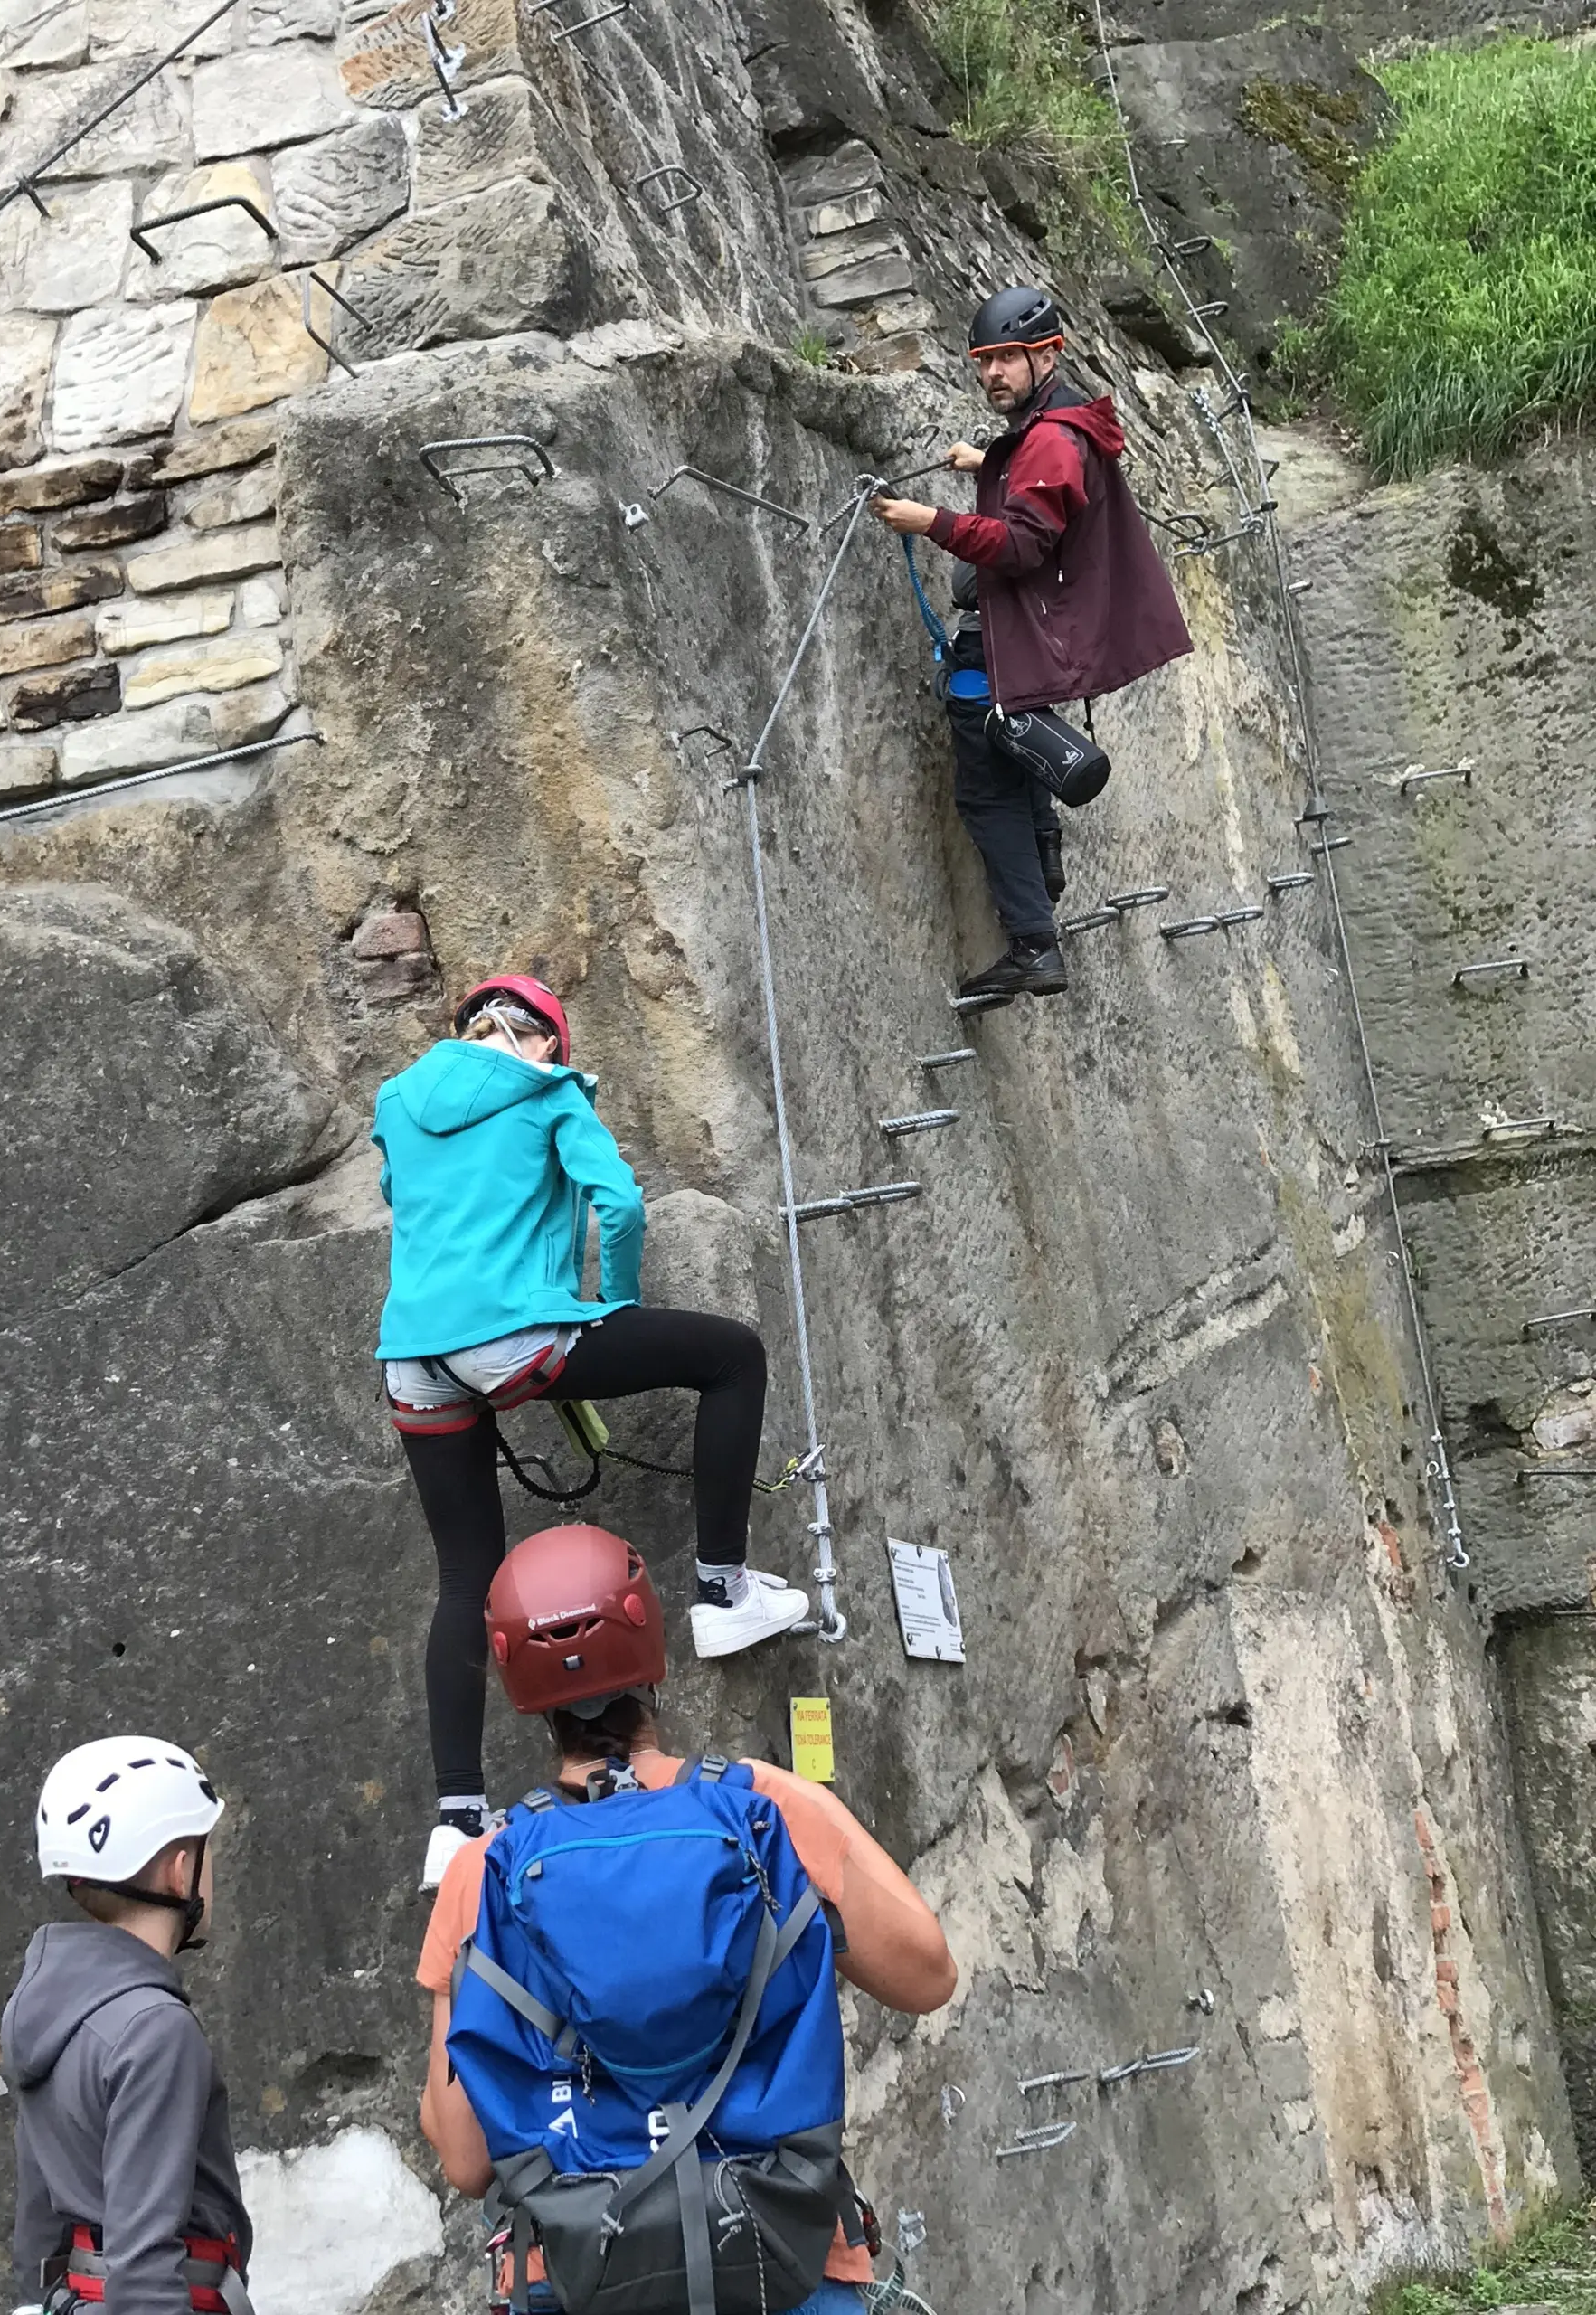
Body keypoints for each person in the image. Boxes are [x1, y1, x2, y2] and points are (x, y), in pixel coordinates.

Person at [417, 1526, 957, 2315]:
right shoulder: (758, 1808)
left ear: (516, 1681)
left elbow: (466, 2158)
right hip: (778, 2263)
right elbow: (927, 1974)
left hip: (577, 2276)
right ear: (650, 1645)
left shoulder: (483, 1872)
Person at [374, 974, 811, 1891]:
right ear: (545, 1043)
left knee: (465, 1574)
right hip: (516, 1333)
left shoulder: (399, 1102)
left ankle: (455, 1823)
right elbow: (619, 1203)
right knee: (733, 1357)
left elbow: (410, 1204)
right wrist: (612, 1307)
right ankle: (724, 1591)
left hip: (415, 1358)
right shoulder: (550, 1092)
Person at [874, 285, 1193, 1004]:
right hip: (1037, 632)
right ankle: (1043, 855)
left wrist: (932, 520)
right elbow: (1032, 478)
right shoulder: (1050, 426)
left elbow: (1021, 544)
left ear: (1048, 353)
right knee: (1008, 745)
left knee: (984, 785)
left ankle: (1033, 945)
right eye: (983, 362)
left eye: (1007, 360)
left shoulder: (1051, 437)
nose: (992, 374)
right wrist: (985, 463)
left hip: (1020, 633)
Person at [2, 1738, 251, 2315]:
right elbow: (143, 2266)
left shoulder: (48, 2005)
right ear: (181, 1869)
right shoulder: (157, 2030)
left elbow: (40, 2229)